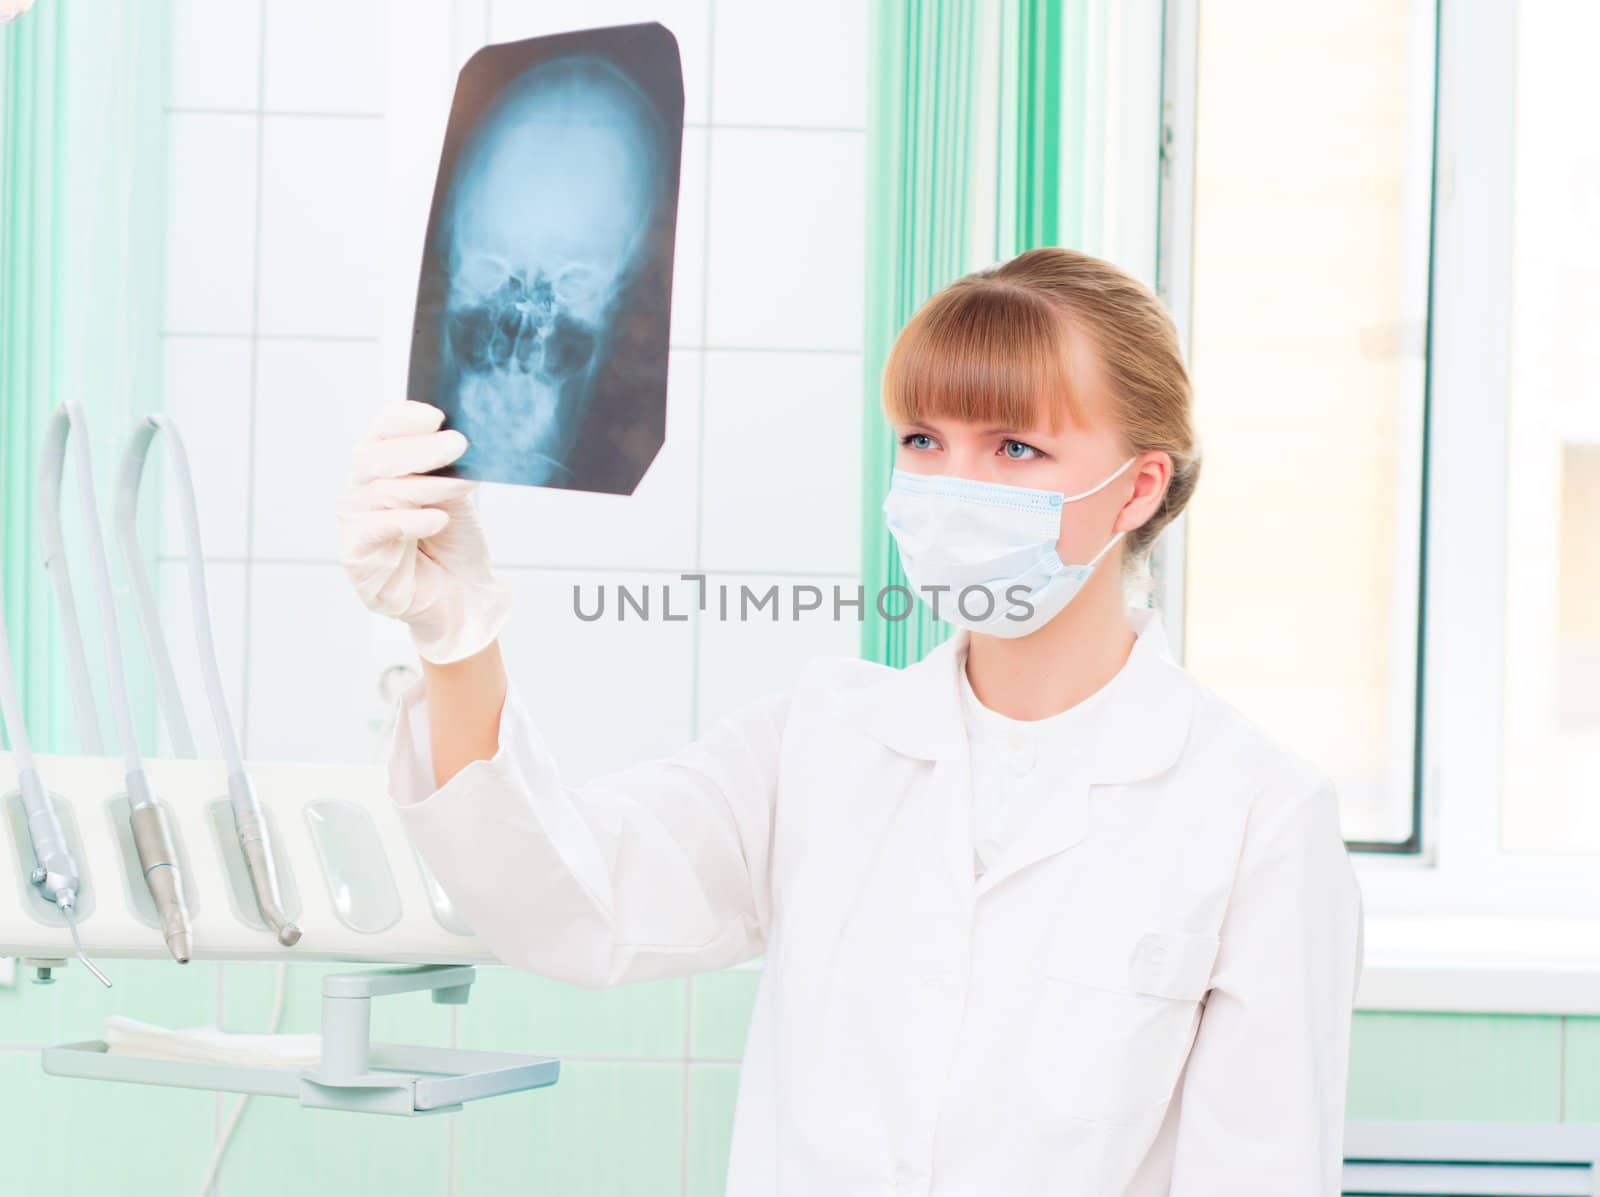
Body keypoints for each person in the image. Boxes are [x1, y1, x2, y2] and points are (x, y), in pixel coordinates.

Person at [337, 246, 1364, 1196]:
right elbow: (563, 897)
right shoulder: (822, 743)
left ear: (1137, 487)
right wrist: (457, 634)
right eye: (925, 439)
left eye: (1014, 447)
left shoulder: (1256, 816)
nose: (954, 485)